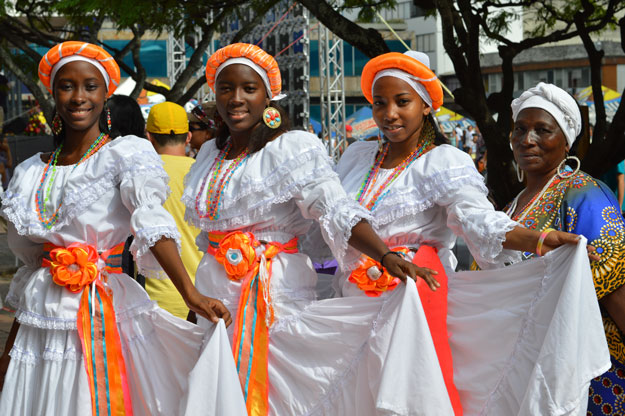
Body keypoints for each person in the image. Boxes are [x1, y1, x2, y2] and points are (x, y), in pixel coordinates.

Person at [333, 51, 610, 415]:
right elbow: (330, 213)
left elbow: (477, 219)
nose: (389, 113)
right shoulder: (356, 157)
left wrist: (538, 240)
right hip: (353, 297)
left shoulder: (443, 162)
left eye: (403, 102)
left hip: (413, 300)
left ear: (427, 105)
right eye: (380, 103)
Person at [183, 42, 452, 415]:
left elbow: (335, 209)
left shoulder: (291, 149)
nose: (236, 99)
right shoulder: (210, 153)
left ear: (269, 97)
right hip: (213, 297)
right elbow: (206, 237)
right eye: (226, 89)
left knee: (278, 396)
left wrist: (385, 254)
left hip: (271, 297)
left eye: (249, 89)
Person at [0, 41, 245, 415]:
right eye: (67, 86)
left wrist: (190, 293)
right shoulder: (30, 170)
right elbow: (30, 267)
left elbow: (152, 224)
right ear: (53, 93)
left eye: (90, 86)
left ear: (106, 94)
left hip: (100, 311)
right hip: (40, 319)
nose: (78, 97)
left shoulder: (125, 154)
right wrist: (9, 349)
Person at [507, 82, 625, 415]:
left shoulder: (583, 194)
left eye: (542, 130)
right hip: (523, 366)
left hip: (586, 366)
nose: (527, 139)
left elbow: (615, 284)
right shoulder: (508, 210)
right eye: (520, 129)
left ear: (566, 140)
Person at [145, 102, 203, 318]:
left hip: (157, 300)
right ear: (188, 136)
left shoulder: (141, 177)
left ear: (148, 136)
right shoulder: (206, 174)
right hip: (205, 294)